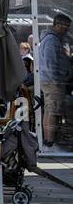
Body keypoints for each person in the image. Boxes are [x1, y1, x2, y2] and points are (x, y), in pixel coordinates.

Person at [39, 10, 71, 146]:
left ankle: (49, 139)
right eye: (66, 26)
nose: (67, 30)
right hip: (53, 82)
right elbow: (50, 63)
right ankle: (49, 140)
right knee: (53, 111)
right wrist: (57, 81)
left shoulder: (51, 39)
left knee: (49, 110)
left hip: (50, 80)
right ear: (58, 25)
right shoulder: (52, 40)